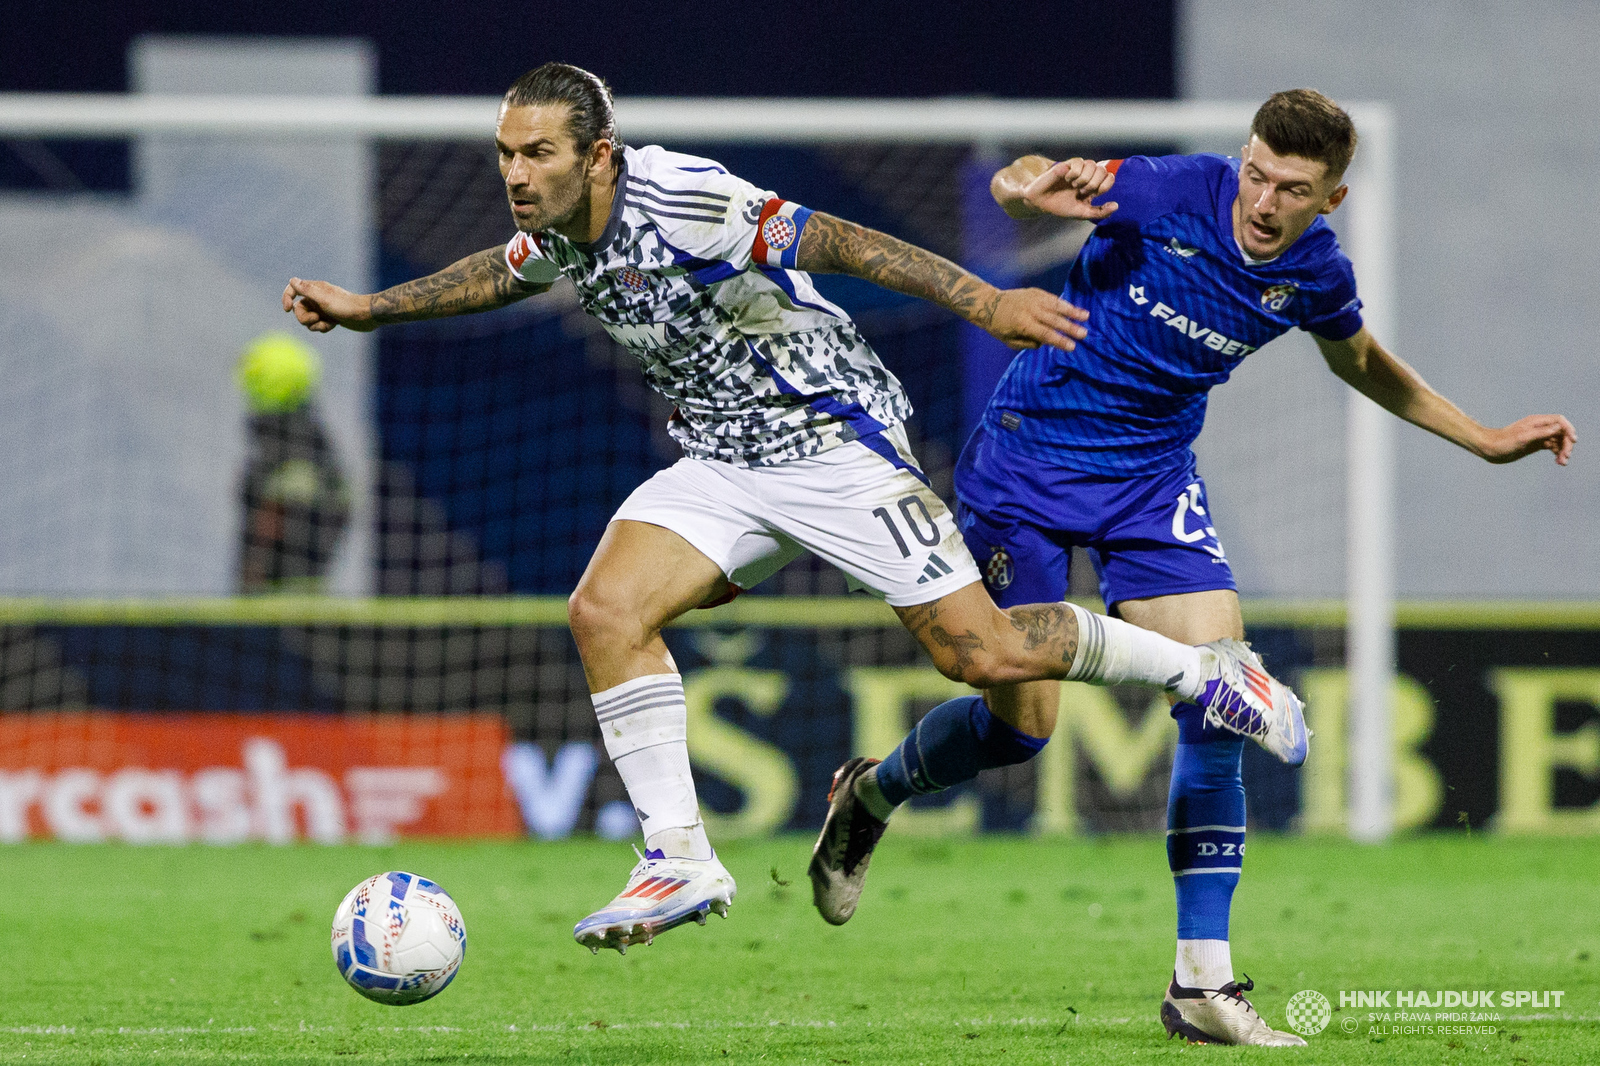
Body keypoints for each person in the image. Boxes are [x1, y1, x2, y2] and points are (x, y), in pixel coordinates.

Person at [282, 62, 1306, 958]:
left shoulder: (684, 198)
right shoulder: (556, 229)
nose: (514, 173)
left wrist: (989, 303)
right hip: (725, 459)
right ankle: (678, 858)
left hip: (830, 443)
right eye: (506, 152)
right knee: (604, 610)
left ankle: (1206, 674)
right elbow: (501, 277)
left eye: (537, 153)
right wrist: (370, 308)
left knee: (984, 658)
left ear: (600, 157)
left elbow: (846, 243)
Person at [808, 89, 1576, 1046]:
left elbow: (1361, 361)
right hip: (1027, 464)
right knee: (1023, 732)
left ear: (1328, 200)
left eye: (1290, 189)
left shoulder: (1315, 274)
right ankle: (870, 794)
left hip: (1150, 482)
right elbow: (1014, 191)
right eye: (1255, 172)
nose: (1261, 200)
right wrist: (1032, 185)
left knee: (1224, 693)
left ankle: (1200, 985)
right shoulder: (1172, 188)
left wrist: (1484, 439)